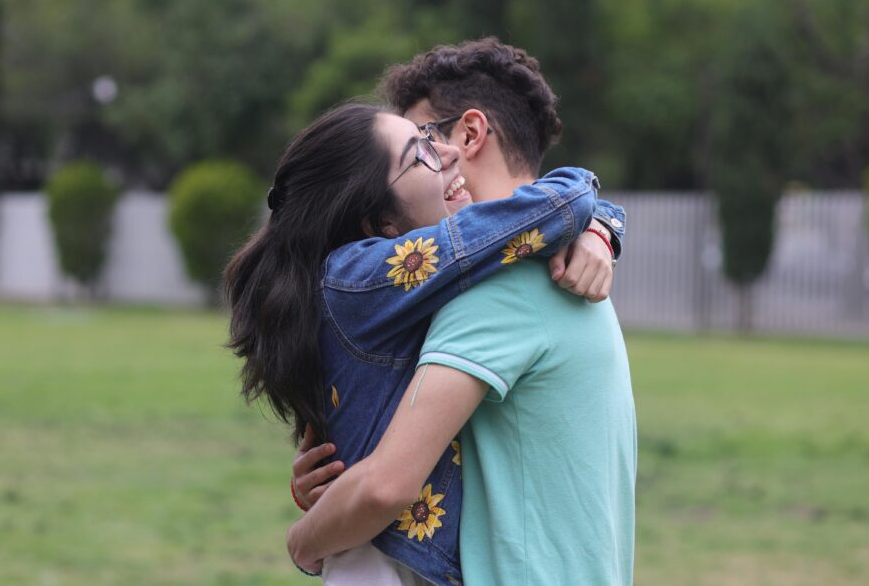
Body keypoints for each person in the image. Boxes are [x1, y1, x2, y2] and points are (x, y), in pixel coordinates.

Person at [224, 95, 625, 582]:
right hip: (382, 559)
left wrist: (600, 228)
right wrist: (302, 538)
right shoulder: (362, 276)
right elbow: (556, 206)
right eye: (422, 152)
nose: (448, 155)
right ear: (381, 225)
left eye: (433, 139)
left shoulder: (403, 286)